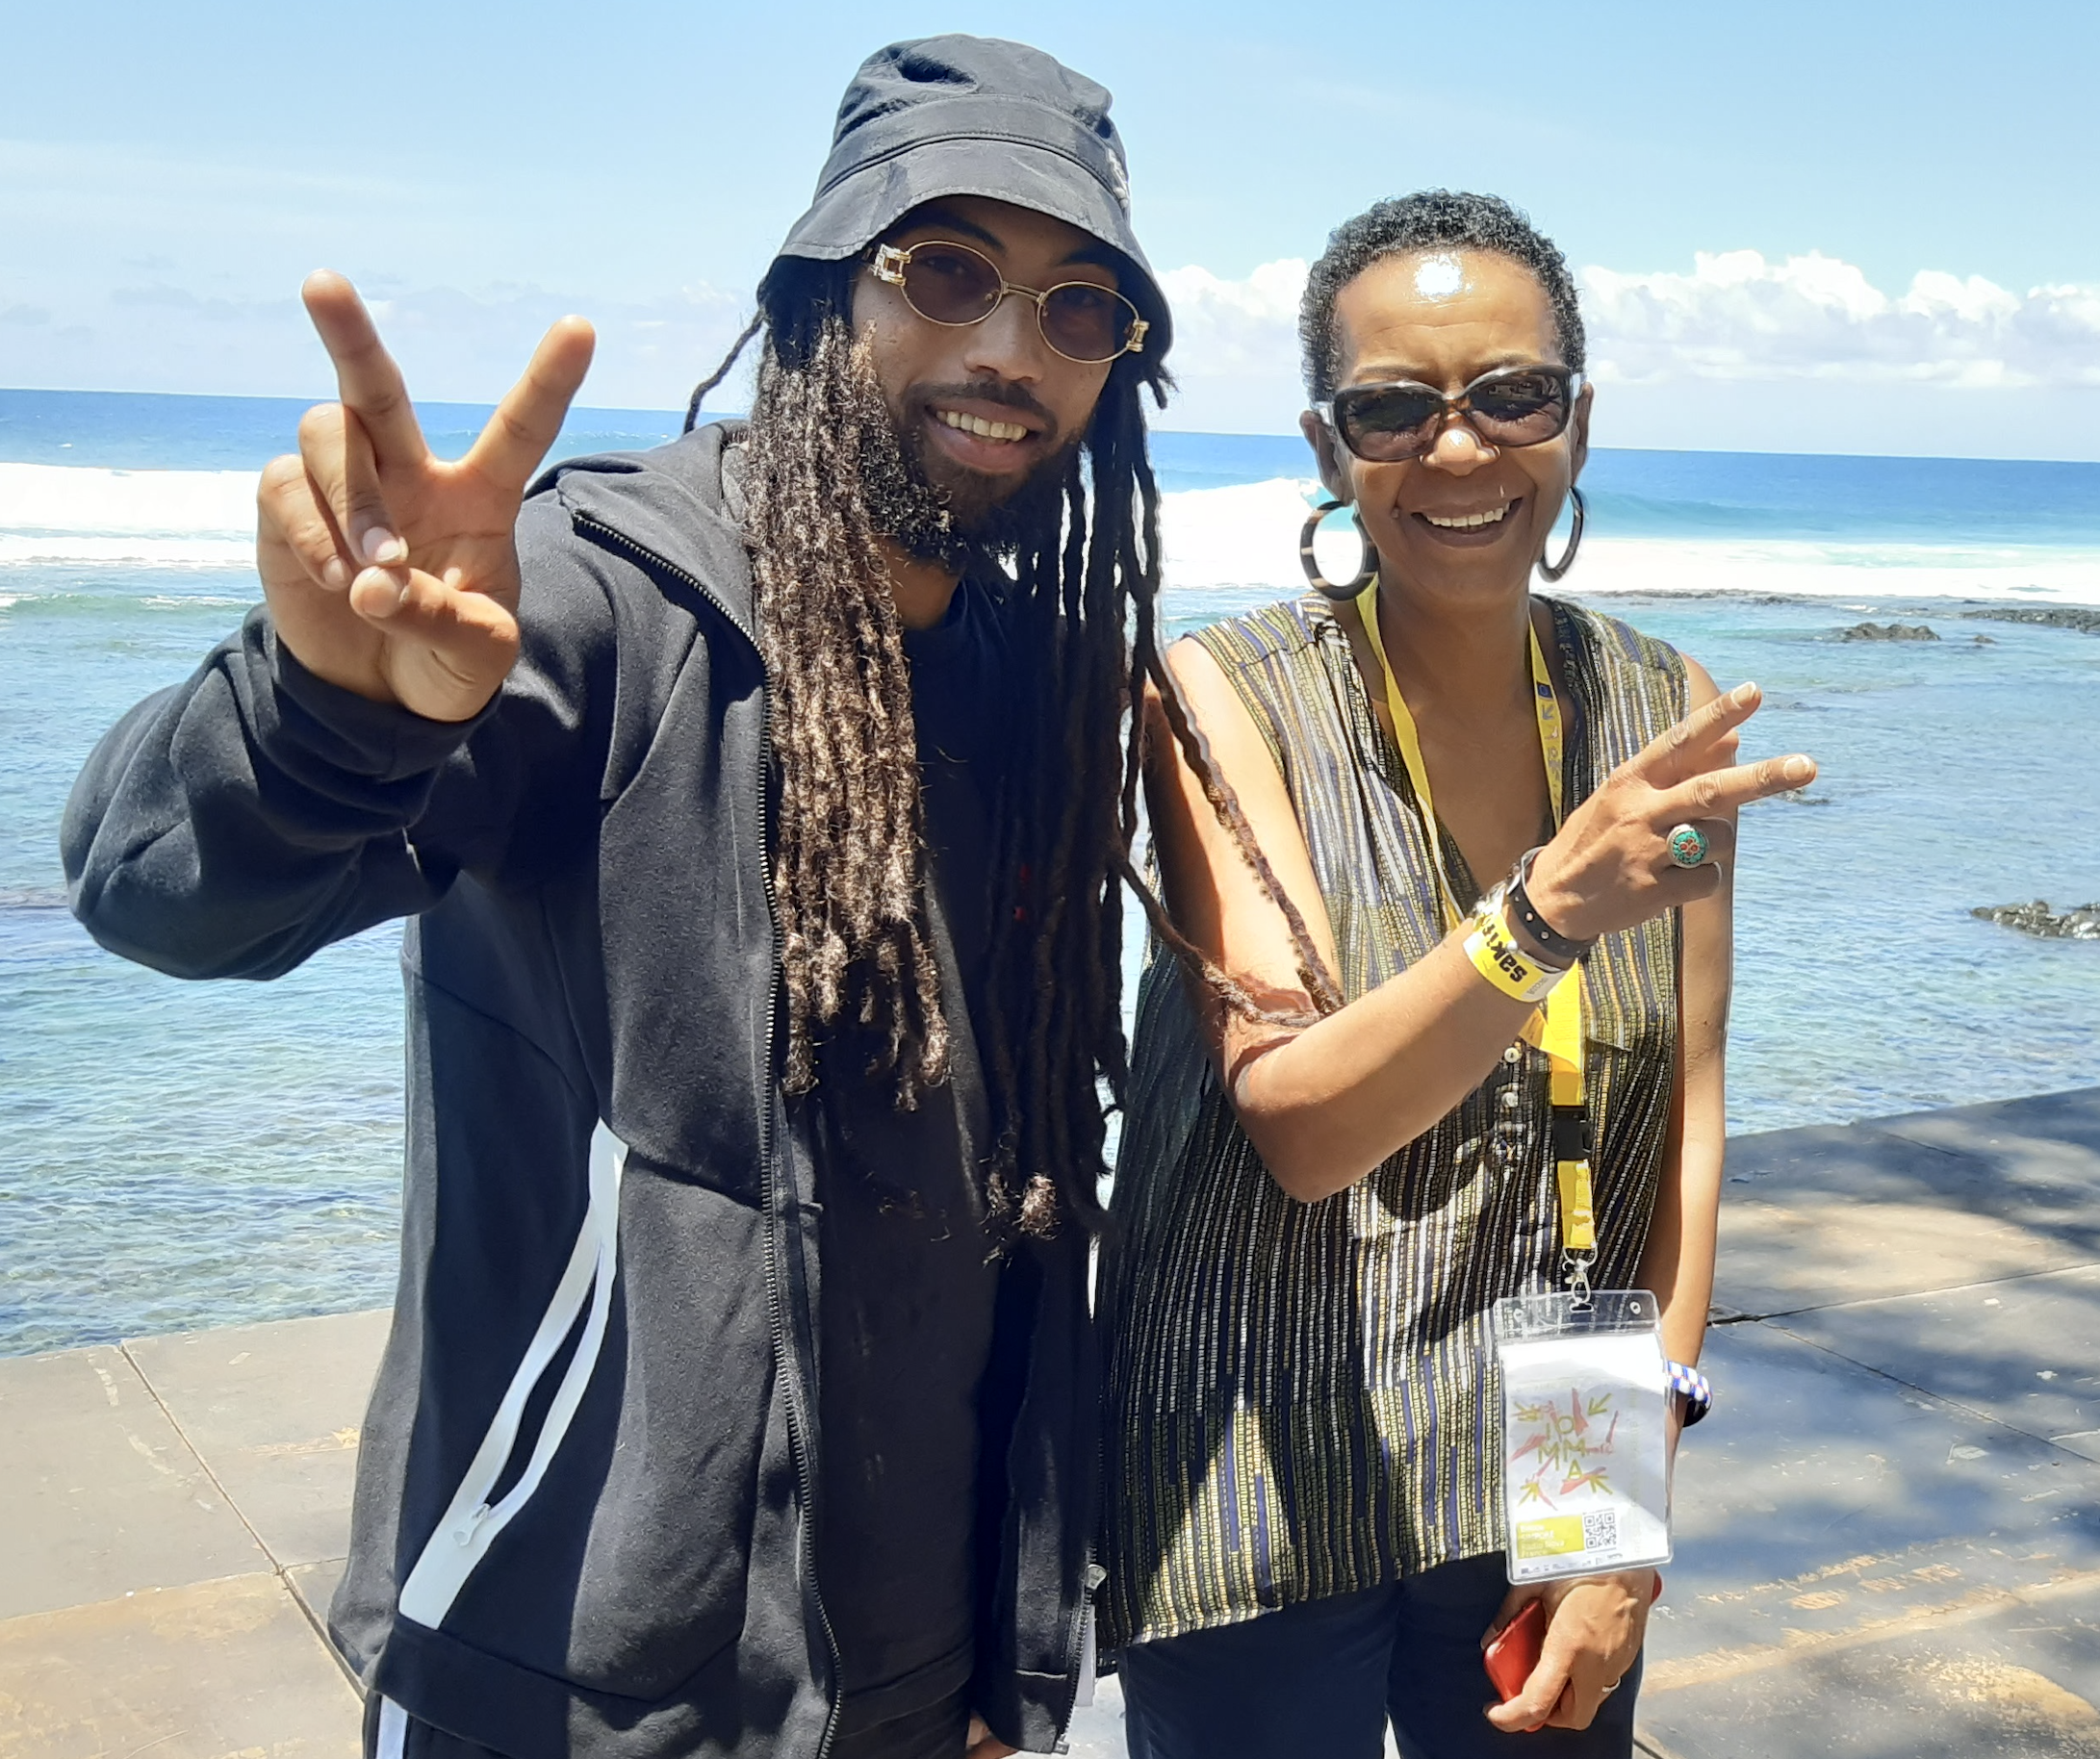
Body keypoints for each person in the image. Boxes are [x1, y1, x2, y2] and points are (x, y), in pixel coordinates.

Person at [62, 37, 1175, 1759]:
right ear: (820, 292)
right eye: (947, 271)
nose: (1008, 354)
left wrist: (1007, 1654)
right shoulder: (599, 598)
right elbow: (161, 896)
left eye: (1078, 308)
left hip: (910, 1678)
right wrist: (327, 713)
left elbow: (1012, 1190)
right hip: (566, 1669)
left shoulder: (1037, 675)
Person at [1096, 191, 1817, 1758]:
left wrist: (1620, 1517)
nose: (1459, 447)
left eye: (1512, 394)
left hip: (1549, 1438)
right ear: (1325, 447)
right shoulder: (1221, 701)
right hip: (1253, 1455)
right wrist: (1541, 915)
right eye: (1391, 409)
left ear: (1574, 420)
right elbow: (1300, 1129)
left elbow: (1681, 1126)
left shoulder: (1658, 706)